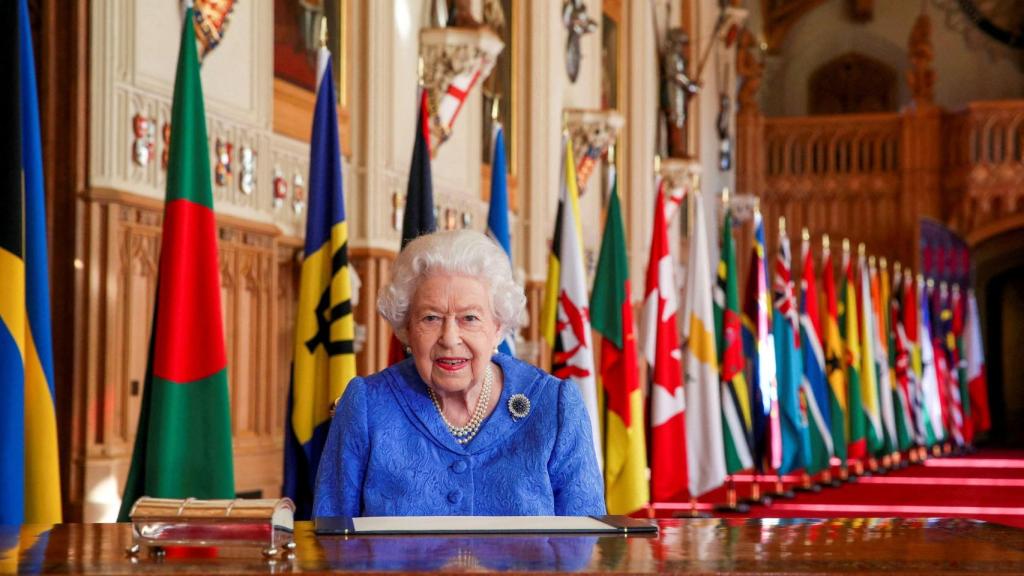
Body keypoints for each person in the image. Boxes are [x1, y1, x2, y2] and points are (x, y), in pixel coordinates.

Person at [312, 230, 605, 517]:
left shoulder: (554, 407)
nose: (450, 338)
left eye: (469, 318)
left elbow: (587, 547)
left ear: (498, 327)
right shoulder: (367, 406)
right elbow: (330, 542)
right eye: (431, 318)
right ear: (406, 329)